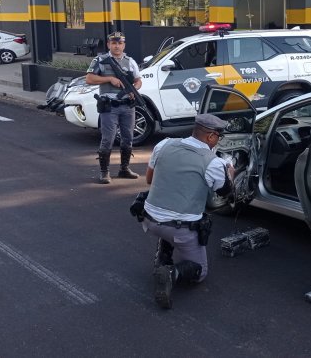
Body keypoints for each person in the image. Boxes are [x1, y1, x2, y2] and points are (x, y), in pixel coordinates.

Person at [142, 113, 235, 309]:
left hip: (149, 219)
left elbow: (149, 180)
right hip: (179, 229)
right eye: (219, 136)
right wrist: (230, 175)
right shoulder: (214, 162)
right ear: (210, 137)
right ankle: (170, 273)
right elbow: (225, 193)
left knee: (167, 223)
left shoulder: (164, 144)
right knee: (200, 272)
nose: (219, 140)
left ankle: (163, 259)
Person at [85, 32, 143, 184]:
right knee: (108, 139)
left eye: (120, 43)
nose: (117, 46)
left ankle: (124, 169)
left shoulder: (130, 61)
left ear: (124, 45)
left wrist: (133, 90)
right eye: (114, 43)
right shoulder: (100, 60)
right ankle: (104, 172)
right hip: (110, 106)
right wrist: (109, 78)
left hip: (127, 106)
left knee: (128, 139)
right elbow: (89, 78)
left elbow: (138, 80)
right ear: (109, 45)